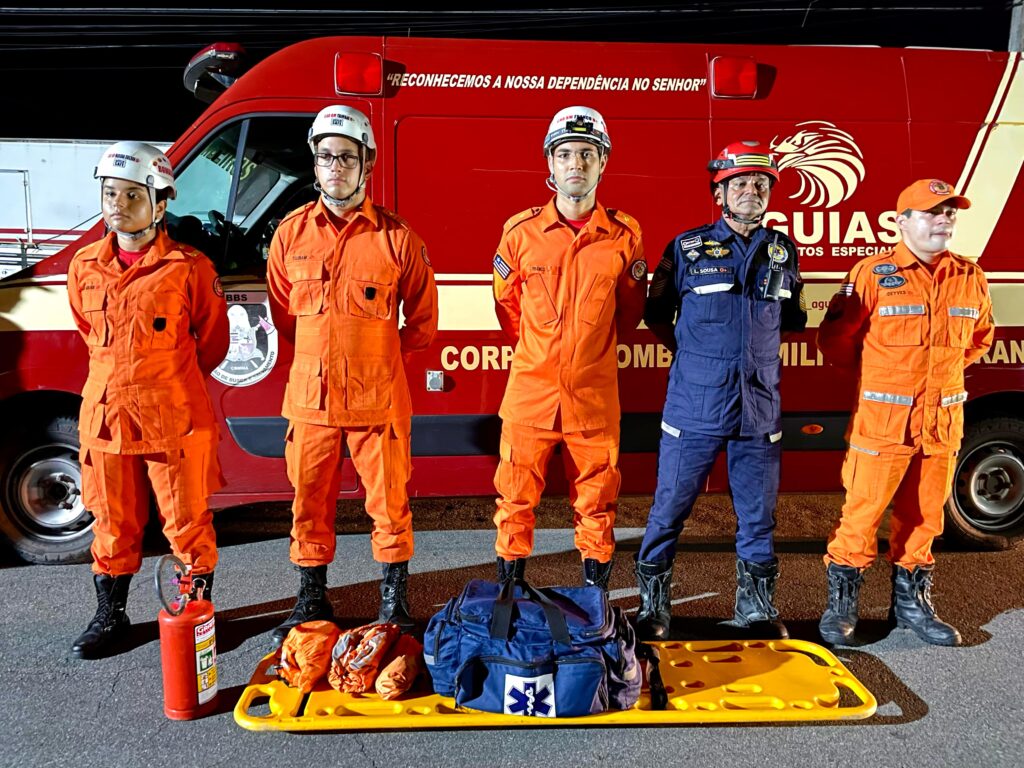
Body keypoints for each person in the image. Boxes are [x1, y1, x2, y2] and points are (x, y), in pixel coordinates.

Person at [267, 105, 437, 643]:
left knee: (390, 504)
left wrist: (378, 360)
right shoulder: (290, 235)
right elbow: (284, 316)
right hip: (311, 402)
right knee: (308, 502)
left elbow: (423, 324)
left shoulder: (397, 238)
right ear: (314, 163)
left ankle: (394, 600)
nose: (335, 166)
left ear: (367, 164)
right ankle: (311, 598)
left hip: (377, 402)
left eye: (347, 157)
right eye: (326, 156)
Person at [634, 141, 807, 640]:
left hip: (759, 408)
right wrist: (695, 357)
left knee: (758, 516)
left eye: (761, 183)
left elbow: (791, 318)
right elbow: (656, 314)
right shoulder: (686, 248)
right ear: (720, 193)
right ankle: (653, 607)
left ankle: (756, 608)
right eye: (740, 183)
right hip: (695, 405)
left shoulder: (782, 251)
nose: (752, 190)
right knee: (670, 508)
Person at [67, 141, 228, 659]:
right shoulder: (84, 266)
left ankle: (196, 617)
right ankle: (110, 616)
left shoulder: (189, 268)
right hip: (106, 419)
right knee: (111, 522)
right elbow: (87, 332)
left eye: (132, 195)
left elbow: (213, 342)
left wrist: (166, 381)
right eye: (110, 193)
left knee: (186, 523)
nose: (118, 204)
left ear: (160, 204)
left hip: (173, 418)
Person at [816, 179, 993, 647]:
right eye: (933, 212)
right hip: (883, 426)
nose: (944, 219)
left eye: (950, 212)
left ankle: (912, 607)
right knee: (860, 518)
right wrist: (884, 379)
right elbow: (836, 342)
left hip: (940, 425)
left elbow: (979, 340)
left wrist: (935, 381)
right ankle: (842, 608)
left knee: (925, 519)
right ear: (902, 222)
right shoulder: (872, 274)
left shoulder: (969, 276)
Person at [491, 106, 647, 590]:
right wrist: (543, 353)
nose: (575, 163)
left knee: (597, 504)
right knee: (514, 502)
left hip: (593, 400)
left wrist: (584, 353)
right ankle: (510, 596)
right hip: (530, 397)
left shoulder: (624, 237)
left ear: (603, 163)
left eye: (586, 154)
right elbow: (508, 309)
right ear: (550, 163)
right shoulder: (520, 235)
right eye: (564, 154)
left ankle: (595, 602)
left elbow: (628, 313)